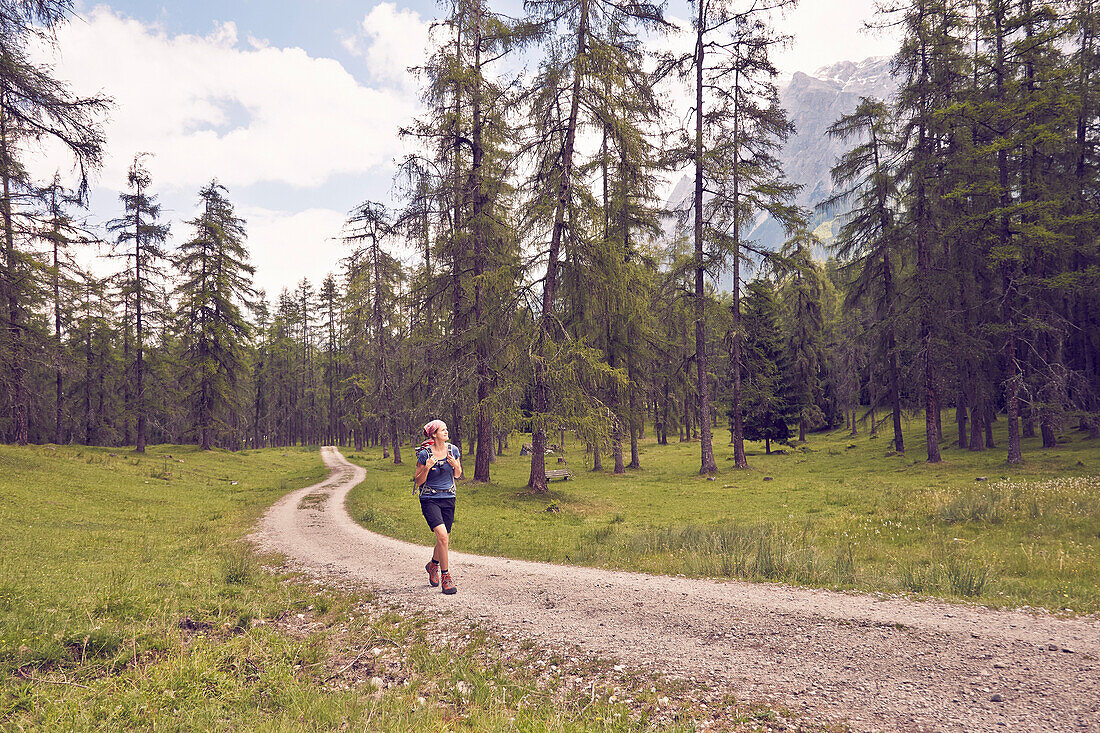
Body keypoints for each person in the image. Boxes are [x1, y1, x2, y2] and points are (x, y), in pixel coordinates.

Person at [414, 419, 461, 595]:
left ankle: (433, 564)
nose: (446, 432)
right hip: (429, 498)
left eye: (446, 429)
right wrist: (426, 468)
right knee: (442, 536)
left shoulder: (453, 450)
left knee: (444, 538)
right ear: (434, 434)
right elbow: (418, 482)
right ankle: (446, 578)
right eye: (443, 430)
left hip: (449, 497)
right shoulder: (425, 454)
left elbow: (458, 474)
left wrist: (455, 465)